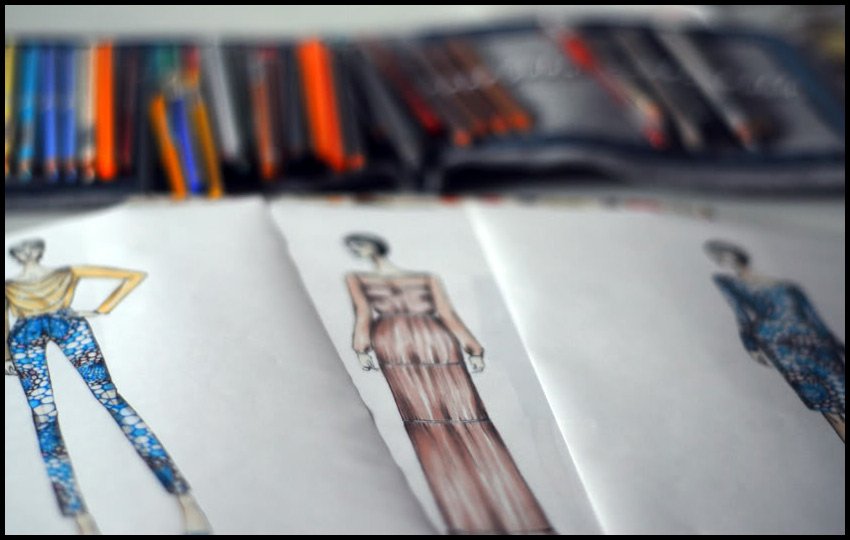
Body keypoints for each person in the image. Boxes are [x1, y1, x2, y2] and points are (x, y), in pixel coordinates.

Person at [343, 233, 552, 534]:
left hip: (431, 339)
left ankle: (509, 511)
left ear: (374, 245)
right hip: (396, 343)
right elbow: (363, 313)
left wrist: (473, 347)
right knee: (425, 419)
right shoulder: (358, 278)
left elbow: (447, 313)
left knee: (465, 415)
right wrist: (361, 348)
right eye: (354, 249)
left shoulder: (425, 277)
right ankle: (464, 514)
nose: (358, 252)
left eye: (360, 245)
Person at [5, 239, 210, 534]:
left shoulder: (66, 272)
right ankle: (81, 519)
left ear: (39, 250)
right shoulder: (10, 285)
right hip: (25, 337)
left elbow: (133, 276)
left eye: (31, 248)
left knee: (110, 397)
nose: (26, 253)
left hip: (69, 326)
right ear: (15, 254)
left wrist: (102, 309)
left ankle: (185, 499)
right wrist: (6, 355)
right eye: (20, 250)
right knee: (44, 416)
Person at [705, 239, 845, 442]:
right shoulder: (728, 282)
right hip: (780, 344)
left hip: (815, 340)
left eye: (723, 255)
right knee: (823, 400)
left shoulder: (790, 286)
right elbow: (741, 315)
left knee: (839, 387)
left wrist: (838, 346)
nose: (722, 261)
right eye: (718, 258)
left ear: (735, 253)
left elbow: (816, 319)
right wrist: (751, 345)